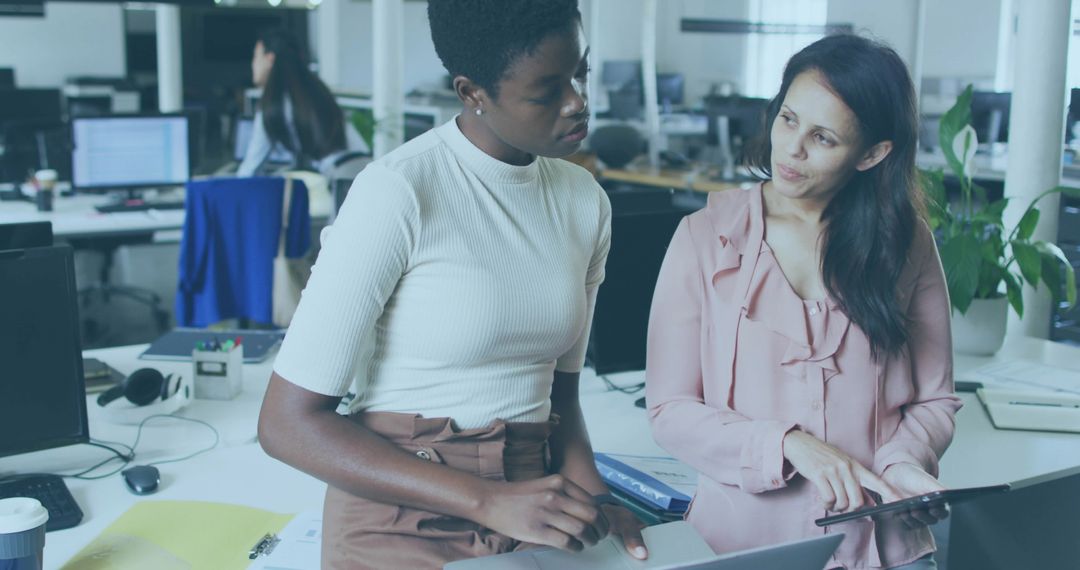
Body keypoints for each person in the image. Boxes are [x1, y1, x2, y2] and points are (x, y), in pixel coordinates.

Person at [257, 1, 647, 568]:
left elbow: (560, 398)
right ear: (472, 93)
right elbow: (287, 425)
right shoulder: (399, 191)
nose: (577, 102)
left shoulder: (584, 200)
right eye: (546, 91)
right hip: (402, 506)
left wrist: (601, 502)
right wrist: (488, 499)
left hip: (533, 496)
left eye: (579, 73)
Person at [646, 34, 963, 570]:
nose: (791, 149)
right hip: (745, 547)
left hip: (886, 552)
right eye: (788, 119)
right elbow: (669, 411)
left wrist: (906, 461)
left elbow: (935, 400)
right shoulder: (705, 237)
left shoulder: (906, 242)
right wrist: (787, 444)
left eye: (823, 137)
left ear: (872, 153)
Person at [238, 28, 368, 177]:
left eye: (255, 57)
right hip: (362, 166)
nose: (253, 64)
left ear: (270, 59)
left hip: (338, 177)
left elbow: (251, 168)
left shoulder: (275, 103)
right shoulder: (315, 89)